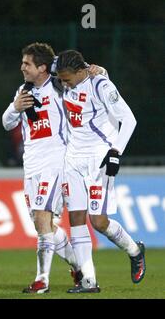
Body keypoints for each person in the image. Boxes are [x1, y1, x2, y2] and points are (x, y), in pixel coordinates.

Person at [55, 50, 145, 293]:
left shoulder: (101, 85)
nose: (64, 84)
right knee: (75, 217)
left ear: (81, 71)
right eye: (61, 79)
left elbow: (129, 119)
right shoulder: (65, 77)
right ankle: (88, 281)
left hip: (99, 158)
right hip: (73, 158)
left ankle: (135, 251)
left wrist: (116, 151)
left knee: (98, 221)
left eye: (67, 79)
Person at [2, 42, 86, 293]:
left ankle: (42, 280)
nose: (22, 67)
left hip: (56, 162)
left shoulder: (60, 86)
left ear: (42, 67)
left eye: (27, 63)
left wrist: (97, 71)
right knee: (44, 226)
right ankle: (79, 268)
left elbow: (79, 73)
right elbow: (7, 124)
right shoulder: (23, 91)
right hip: (32, 165)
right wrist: (15, 107)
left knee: (42, 217)